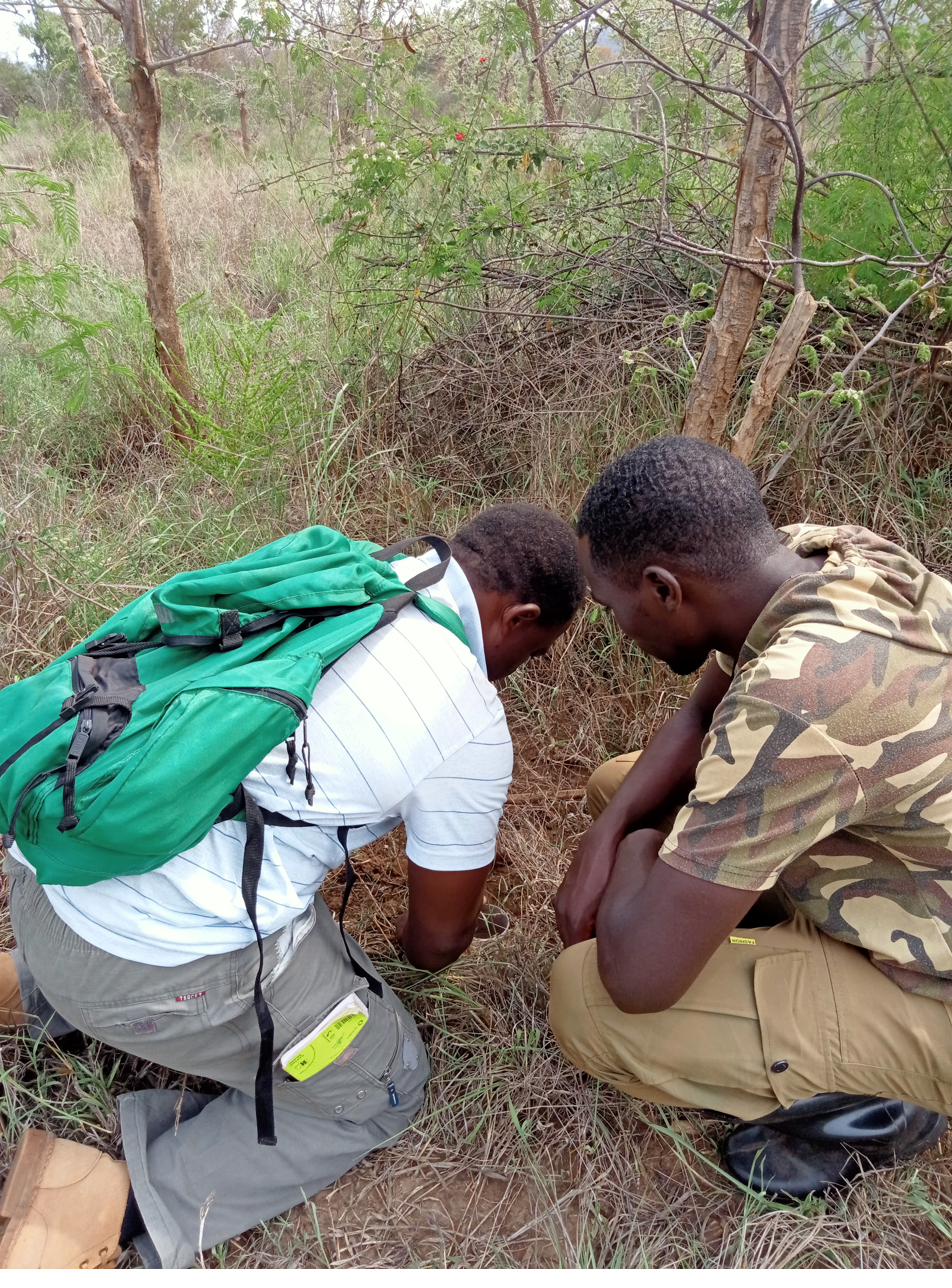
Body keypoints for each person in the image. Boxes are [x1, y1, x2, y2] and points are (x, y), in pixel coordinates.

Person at [0, 504, 585, 1270]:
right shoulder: (470, 727)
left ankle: (25, 987)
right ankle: (89, 1208)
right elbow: (438, 943)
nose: (518, 674)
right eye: (533, 654)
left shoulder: (345, 571)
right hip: (139, 971)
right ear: (521, 617)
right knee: (386, 1085)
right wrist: (391, 962)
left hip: (50, 878)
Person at [550, 436, 952, 1199]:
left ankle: (887, 1094)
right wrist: (606, 832)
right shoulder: (815, 556)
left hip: (932, 981)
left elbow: (638, 978)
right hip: (916, 863)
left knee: (587, 999)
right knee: (619, 786)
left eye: (613, 606)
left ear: (666, 589)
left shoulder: (796, 701)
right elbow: (708, 703)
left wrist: (639, 843)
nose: (616, 626)